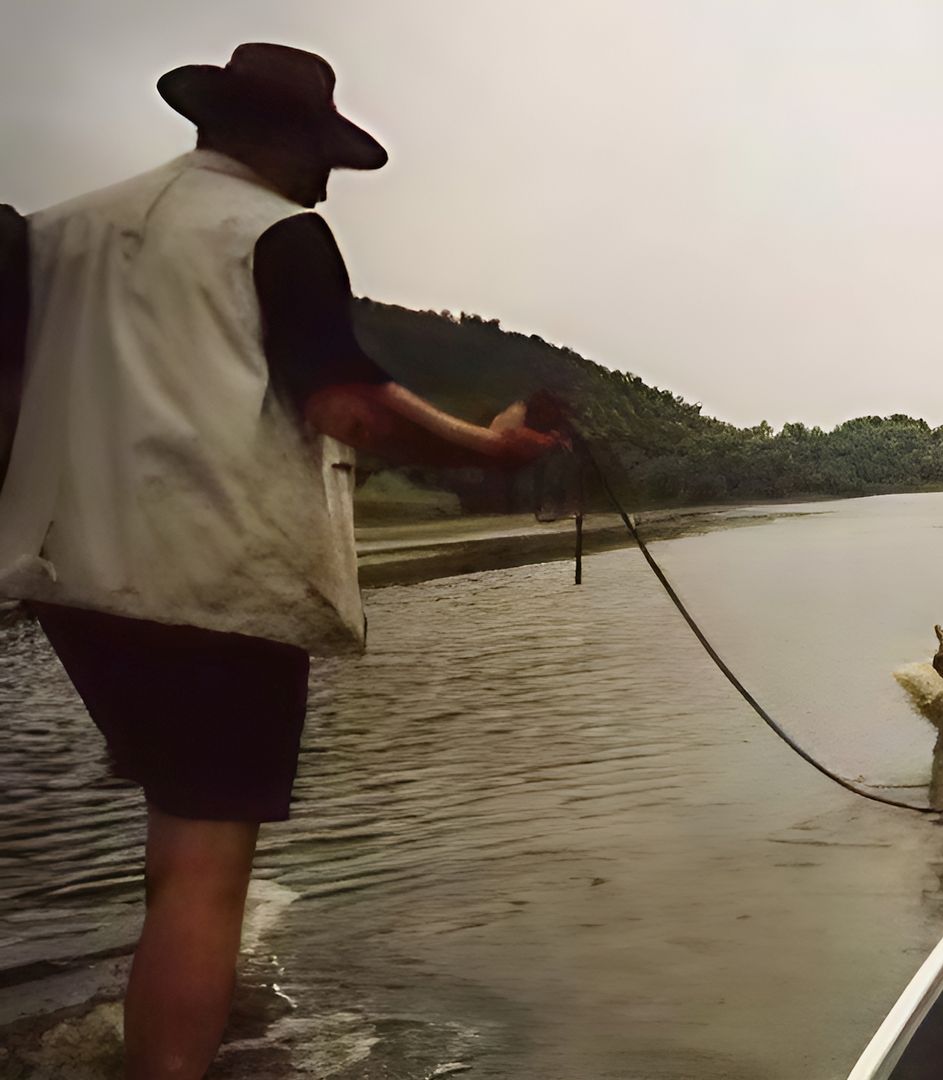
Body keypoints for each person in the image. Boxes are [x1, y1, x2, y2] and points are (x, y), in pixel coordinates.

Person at [0, 44, 566, 1078]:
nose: (326, 178)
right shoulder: (280, 233)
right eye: (322, 154)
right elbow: (345, 404)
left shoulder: (54, 233)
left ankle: (169, 1027)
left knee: (177, 835)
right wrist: (489, 450)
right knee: (207, 868)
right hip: (213, 580)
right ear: (288, 141)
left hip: (70, 580)